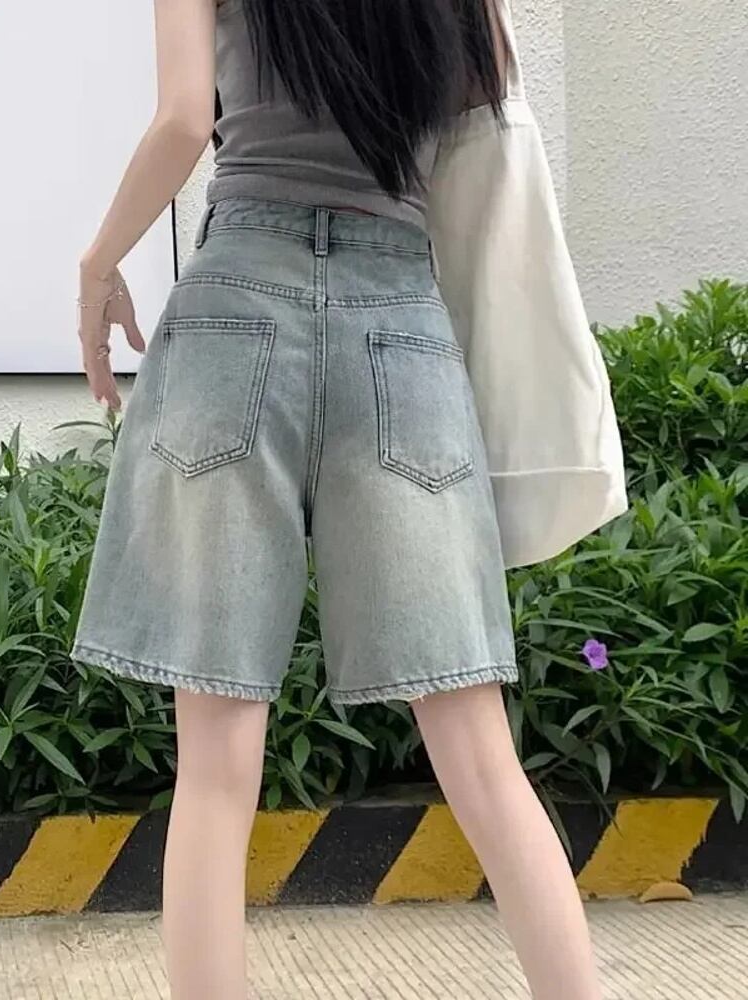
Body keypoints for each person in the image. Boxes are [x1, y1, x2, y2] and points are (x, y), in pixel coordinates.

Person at [73, 2, 613, 997]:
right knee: (481, 756)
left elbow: (185, 119)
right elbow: (486, 122)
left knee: (217, 763)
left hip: (237, 306)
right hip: (399, 318)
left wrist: (98, 263)